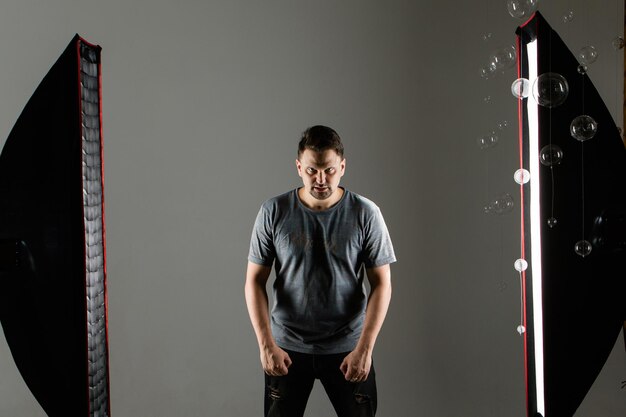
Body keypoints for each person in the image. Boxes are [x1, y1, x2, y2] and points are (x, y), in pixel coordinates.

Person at [244, 125, 396, 417]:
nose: (321, 179)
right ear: (299, 167)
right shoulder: (273, 211)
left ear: (342, 166)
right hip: (286, 347)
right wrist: (266, 345)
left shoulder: (365, 213)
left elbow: (382, 284)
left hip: (348, 347)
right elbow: (254, 281)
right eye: (312, 170)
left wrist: (364, 349)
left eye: (328, 169)